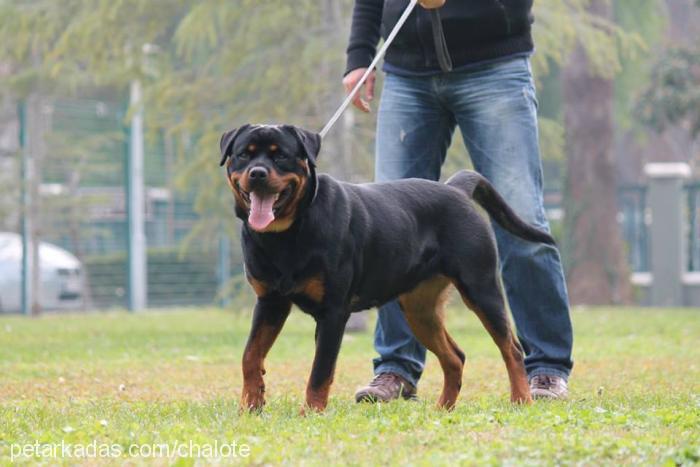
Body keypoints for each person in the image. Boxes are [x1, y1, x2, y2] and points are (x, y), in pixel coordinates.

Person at [343, 0, 573, 401]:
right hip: (406, 74)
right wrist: (359, 57)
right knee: (391, 230)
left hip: (495, 69)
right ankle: (396, 368)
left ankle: (547, 367)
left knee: (520, 218)